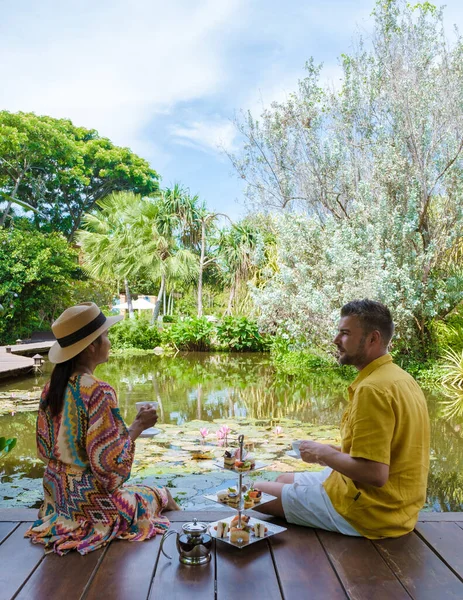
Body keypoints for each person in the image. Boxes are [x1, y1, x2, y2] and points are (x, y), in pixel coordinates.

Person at [254, 299, 430, 539]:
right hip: (400, 508)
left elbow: (376, 475)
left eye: (345, 333)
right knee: (283, 478)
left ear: (373, 339)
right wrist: (332, 451)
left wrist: (322, 454)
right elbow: (387, 453)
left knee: (256, 492)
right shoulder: (401, 378)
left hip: (371, 513)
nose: (336, 340)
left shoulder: (373, 389)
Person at [25, 302, 179, 555]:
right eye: (105, 336)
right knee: (159, 493)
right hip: (94, 510)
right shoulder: (97, 390)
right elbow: (109, 471)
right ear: (91, 347)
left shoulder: (50, 388)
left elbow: (43, 449)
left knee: (140, 490)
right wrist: (138, 426)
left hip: (57, 503)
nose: (109, 342)